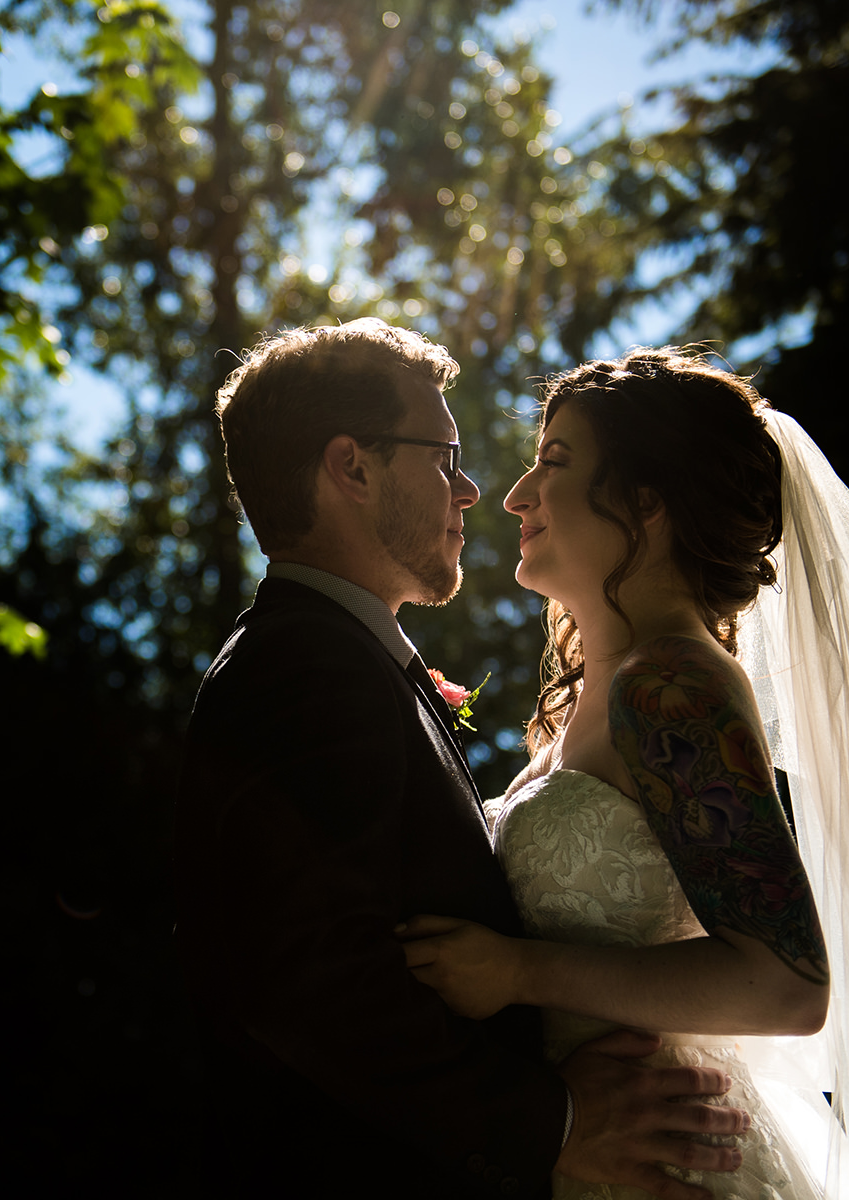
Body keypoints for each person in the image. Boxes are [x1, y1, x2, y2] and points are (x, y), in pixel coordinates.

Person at [398, 349, 849, 1198]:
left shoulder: (673, 688)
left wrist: (518, 971)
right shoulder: (610, 691)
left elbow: (785, 987)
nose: (516, 495)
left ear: (646, 502)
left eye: (554, 462)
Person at [174, 322, 754, 1200]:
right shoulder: (303, 670)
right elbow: (308, 979)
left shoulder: (340, 663)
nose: (477, 488)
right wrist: (552, 1123)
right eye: (444, 455)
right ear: (353, 467)